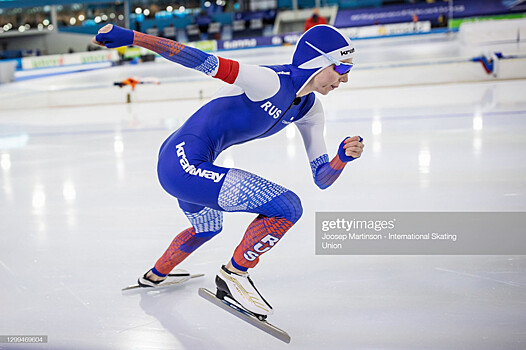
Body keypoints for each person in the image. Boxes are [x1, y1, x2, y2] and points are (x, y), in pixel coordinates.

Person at [92, 23, 364, 318]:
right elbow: (198, 59)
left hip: (193, 164)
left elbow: (322, 178)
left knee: (207, 228)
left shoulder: (310, 110)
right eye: (341, 67)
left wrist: (340, 159)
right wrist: (133, 38)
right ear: (318, 61)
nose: (345, 78)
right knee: (287, 207)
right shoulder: (270, 81)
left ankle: (156, 274)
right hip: (181, 162)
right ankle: (234, 275)